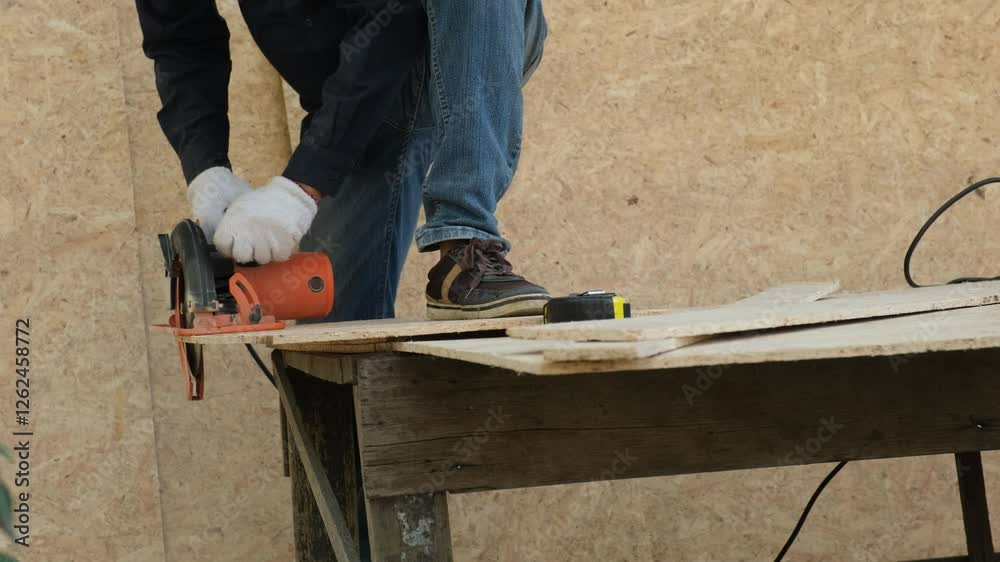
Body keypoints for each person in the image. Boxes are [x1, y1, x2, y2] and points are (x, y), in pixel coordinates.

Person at [137, 0, 550, 321]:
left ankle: (466, 246)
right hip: (348, 91)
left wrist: (302, 187)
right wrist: (206, 169)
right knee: (330, 336)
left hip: (458, 38)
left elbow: (394, 19)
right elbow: (180, 39)